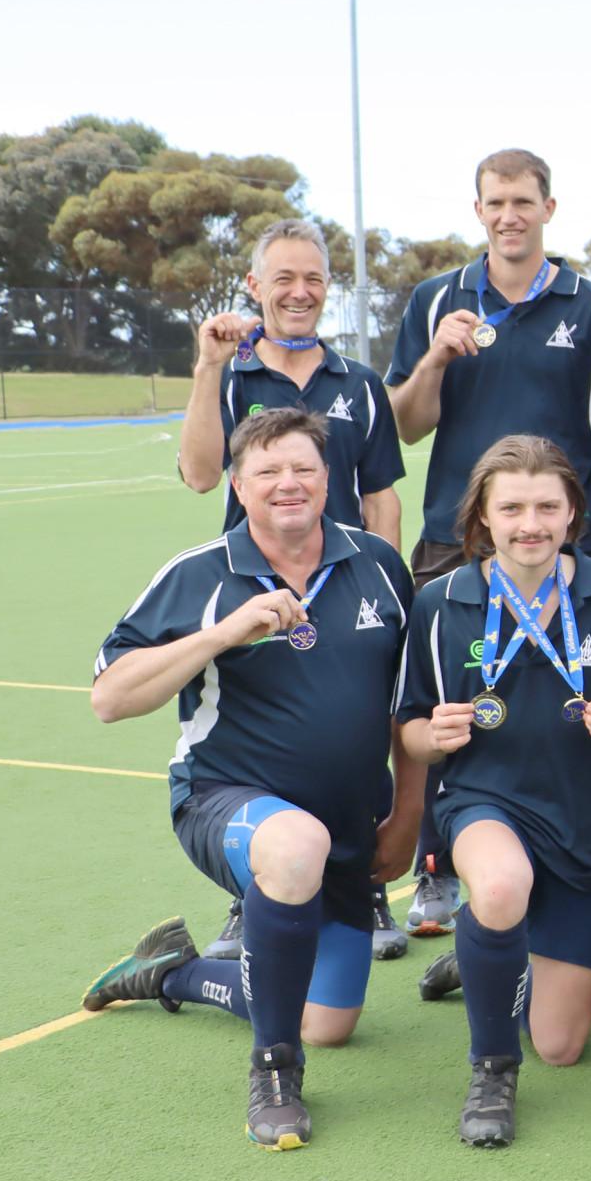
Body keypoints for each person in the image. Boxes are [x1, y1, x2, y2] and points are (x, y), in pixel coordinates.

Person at [82, 408, 421, 1150]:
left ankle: (174, 972)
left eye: (303, 467)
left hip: (350, 827)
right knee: (294, 845)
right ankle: (274, 1073)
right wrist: (223, 631)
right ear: (239, 484)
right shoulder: (201, 573)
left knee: (327, 1022)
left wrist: (407, 815)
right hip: (222, 801)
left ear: (329, 478)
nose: (288, 483)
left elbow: (409, 706)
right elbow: (110, 697)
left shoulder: (380, 566)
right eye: (267, 471)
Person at [395, 436, 591, 1146]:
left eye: (548, 505)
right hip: (485, 799)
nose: (530, 523)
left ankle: (486, 951)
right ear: (483, 514)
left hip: (582, 822)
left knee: (563, 1045)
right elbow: (410, 728)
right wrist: (435, 733)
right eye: (511, 507)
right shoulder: (441, 602)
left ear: (574, 511)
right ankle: (491, 1069)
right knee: (503, 883)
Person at [385, 149, 591, 937]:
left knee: (578, 700)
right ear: (478, 209)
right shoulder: (434, 299)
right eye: (495, 202)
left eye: (523, 200)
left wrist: (573, 495)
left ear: (550, 207)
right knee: (436, 711)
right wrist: (435, 358)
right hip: (452, 541)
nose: (509, 214)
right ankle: (433, 871)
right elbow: (406, 425)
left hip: (561, 539)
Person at [177, 217, 409, 964]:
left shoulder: (361, 384)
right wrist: (207, 368)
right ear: (255, 286)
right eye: (284, 278)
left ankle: (362, 882)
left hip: (347, 585)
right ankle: (252, 895)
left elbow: (382, 497)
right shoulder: (234, 374)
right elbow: (202, 474)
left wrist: (386, 591)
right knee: (255, 735)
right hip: (253, 588)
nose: (300, 291)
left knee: (357, 727)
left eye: (313, 278)